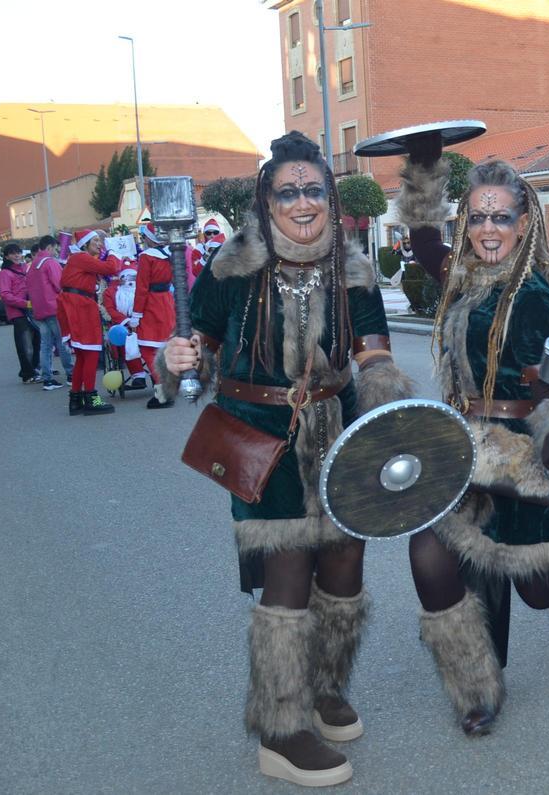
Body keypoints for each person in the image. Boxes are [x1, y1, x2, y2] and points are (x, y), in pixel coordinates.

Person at [161, 131, 413, 787]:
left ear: (330, 197)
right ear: (266, 201)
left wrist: (387, 404)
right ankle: (280, 727)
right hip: (262, 437)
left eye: (314, 190)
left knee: (346, 564)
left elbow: (374, 352)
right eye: (288, 192)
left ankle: (325, 686)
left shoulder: (352, 266)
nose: (303, 203)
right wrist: (178, 357)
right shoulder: (233, 266)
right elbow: (198, 343)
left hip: (340, 429)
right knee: (290, 572)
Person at [397, 136, 549, 737]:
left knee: (541, 586)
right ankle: (476, 685)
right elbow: (424, 242)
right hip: (460, 446)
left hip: (524, 456)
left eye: (500, 218)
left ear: (524, 225)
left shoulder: (538, 299)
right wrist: (425, 160)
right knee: (432, 553)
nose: (488, 230)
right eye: (477, 218)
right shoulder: (461, 278)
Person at [59, 230, 120, 415]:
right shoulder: (81, 257)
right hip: (81, 307)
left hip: (78, 304)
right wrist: (113, 251)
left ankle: (75, 399)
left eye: (100, 241)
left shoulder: (79, 259)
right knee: (91, 353)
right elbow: (111, 268)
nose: (100, 244)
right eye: (96, 241)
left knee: (83, 356)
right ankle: (91, 399)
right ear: (85, 244)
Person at [132, 222, 176, 409]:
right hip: (166, 302)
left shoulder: (146, 257)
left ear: (150, 238)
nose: (143, 240)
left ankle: (162, 391)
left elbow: (142, 288)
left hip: (151, 305)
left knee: (147, 348)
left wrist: (136, 314)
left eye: (144, 236)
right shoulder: (170, 255)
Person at [27, 236, 73, 390]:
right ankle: (71, 374)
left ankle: (47, 379)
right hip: (54, 307)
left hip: (39, 309)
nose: (56, 252)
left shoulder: (33, 264)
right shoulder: (50, 262)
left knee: (45, 344)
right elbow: (60, 284)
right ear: (49, 247)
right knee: (62, 341)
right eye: (55, 249)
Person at [100, 264, 150, 389]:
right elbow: (110, 310)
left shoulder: (144, 290)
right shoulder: (110, 293)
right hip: (122, 326)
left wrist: (138, 321)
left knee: (150, 342)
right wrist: (127, 321)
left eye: (133, 278)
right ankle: (138, 375)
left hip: (144, 323)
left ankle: (156, 375)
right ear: (121, 279)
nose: (130, 281)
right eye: (126, 278)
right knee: (126, 340)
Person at [0, 242, 41, 384]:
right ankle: (28, 374)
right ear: (6, 256)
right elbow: (5, 295)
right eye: (12, 253)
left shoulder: (26, 268)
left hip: (33, 311)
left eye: (18, 252)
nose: (16, 255)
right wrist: (25, 303)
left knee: (36, 343)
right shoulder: (5, 273)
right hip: (18, 313)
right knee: (25, 346)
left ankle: (34, 370)